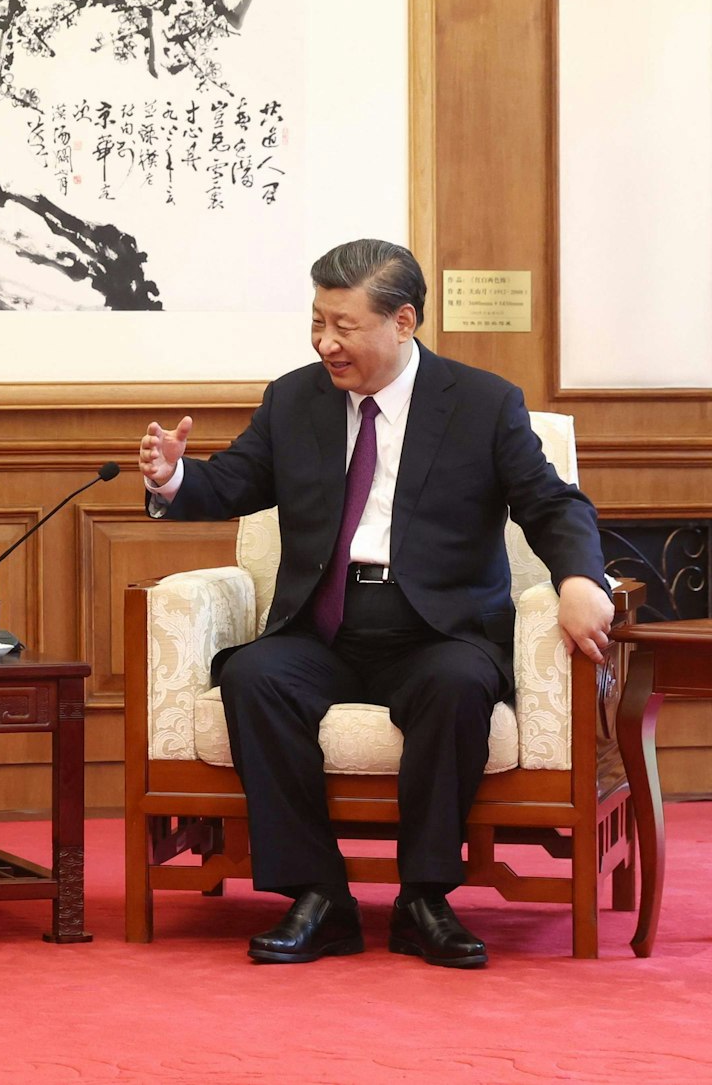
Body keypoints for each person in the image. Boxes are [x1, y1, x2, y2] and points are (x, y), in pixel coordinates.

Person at [138, 239, 614, 969]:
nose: (326, 342)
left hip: (436, 630)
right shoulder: (295, 398)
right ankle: (319, 896)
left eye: (344, 325)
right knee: (254, 677)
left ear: (403, 321)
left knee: (456, 686)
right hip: (324, 627)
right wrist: (174, 478)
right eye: (317, 321)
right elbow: (233, 481)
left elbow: (552, 504)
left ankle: (424, 897)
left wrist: (581, 579)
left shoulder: (482, 404)